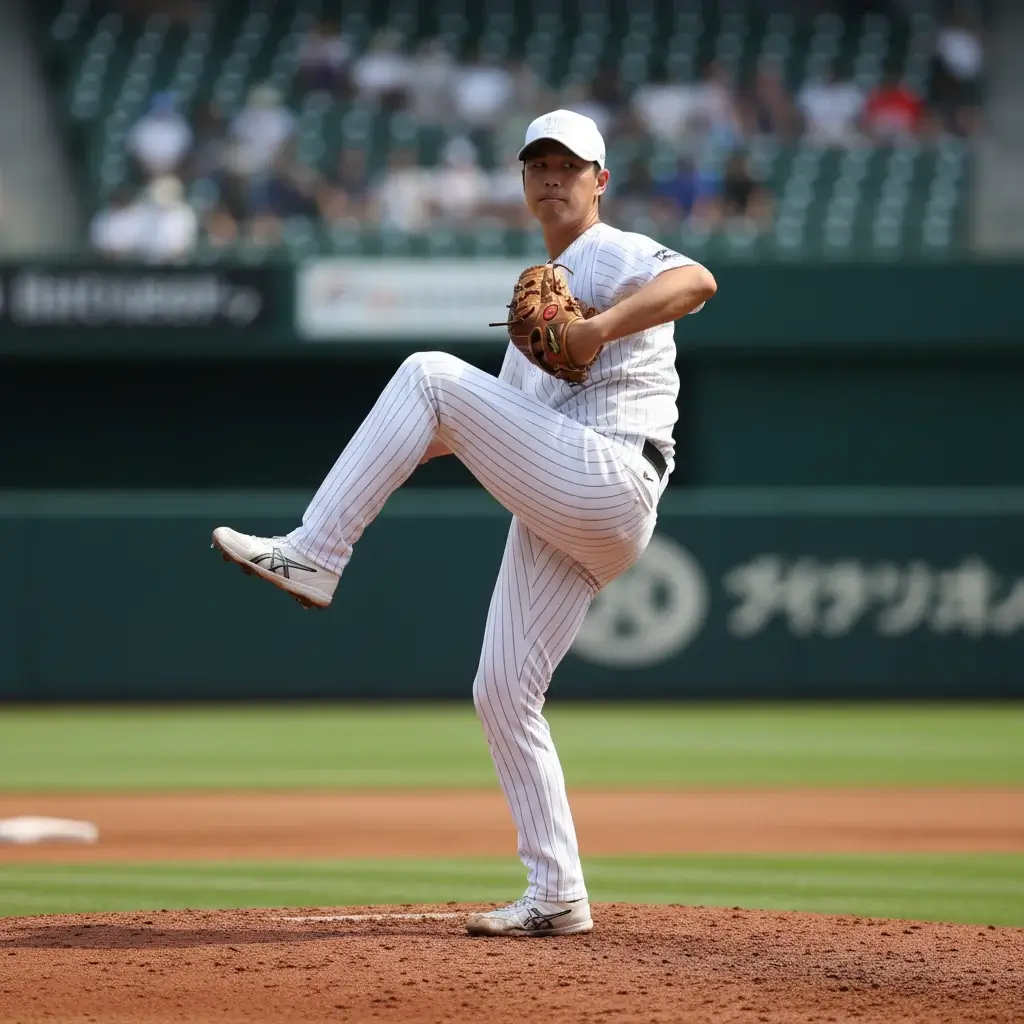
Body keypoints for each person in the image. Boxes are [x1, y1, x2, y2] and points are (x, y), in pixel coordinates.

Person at [211, 110, 716, 937]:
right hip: (578, 496)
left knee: (428, 373)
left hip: (610, 471)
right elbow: (478, 420)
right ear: (522, 181)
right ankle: (557, 892)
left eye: (570, 164)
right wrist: (398, 442)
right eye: (538, 165)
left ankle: (315, 553)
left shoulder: (609, 249)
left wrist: (590, 328)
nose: (553, 177)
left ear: (601, 180)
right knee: (502, 691)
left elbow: (697, 283)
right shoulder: (533, 315)